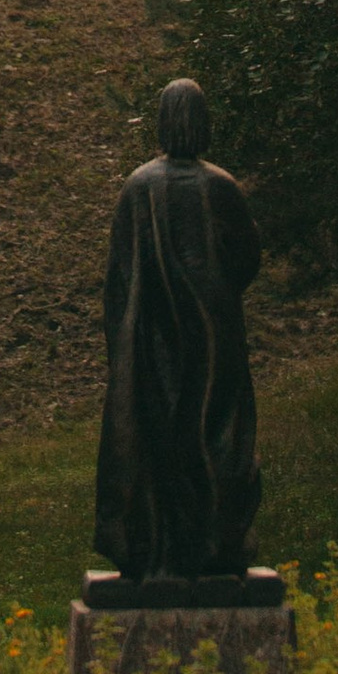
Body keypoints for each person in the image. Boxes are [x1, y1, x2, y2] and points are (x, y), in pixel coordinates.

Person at [93, 76, 264, 586]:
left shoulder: (138, 187)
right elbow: (246, 258)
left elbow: (119, 280)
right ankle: (215, 544)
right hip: (216, 338)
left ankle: (160, 548)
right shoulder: (221, 186)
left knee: (161, 437)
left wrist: (122, 346)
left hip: (154, 341)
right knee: (217, 433)